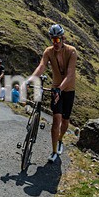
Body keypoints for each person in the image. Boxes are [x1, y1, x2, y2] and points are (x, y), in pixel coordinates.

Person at [28, 23, 77, 163]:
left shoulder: (72, 51)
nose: (55, 42)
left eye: (57, 39)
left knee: (65, 121)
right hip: (56, 88)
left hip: (68, 89)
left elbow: (70, 74)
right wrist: (29, 80)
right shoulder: (48, 51)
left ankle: (61, 139)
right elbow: (42, 66)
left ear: (63, 38)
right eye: (52, 39)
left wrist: (60, 89)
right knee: (56, 120)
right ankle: (54, 151)